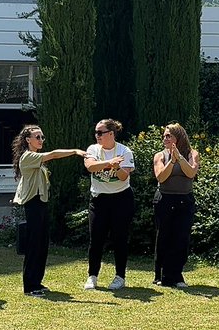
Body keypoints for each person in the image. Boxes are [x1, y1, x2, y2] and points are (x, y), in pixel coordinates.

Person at [12, 125, 86, 295]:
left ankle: (37, 282)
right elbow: (52, 155)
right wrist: (75, 151)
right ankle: (30, 285)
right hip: (33, 203)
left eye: (42, 137)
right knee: (34, 244)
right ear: (27, 140)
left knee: (42, 243)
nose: (41, 140)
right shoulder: (28, 156)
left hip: (41, 202)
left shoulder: (35, 157)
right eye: (37, 137)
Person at [83, 118, 136, 291]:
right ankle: (92, 276)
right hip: (99, 199)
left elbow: (123, 176)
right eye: (96, 132)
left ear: (111, 134)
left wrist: (117, 168)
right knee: (96, 239)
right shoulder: (93, 149)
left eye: (100, 132)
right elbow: (90, 167)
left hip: (121, 199)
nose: (97, 135)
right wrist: (109, 163)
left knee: (119, 238)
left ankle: (120, 277)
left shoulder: (124, 151)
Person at [152, 123, 200, 289]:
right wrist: (171, 162)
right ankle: (161, 275)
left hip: (184, 200)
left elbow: (191, 173)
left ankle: (177, 275)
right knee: (164, 236)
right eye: (164, 136)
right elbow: (161, 177)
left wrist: (179, 158)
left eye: (169, 136)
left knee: (181, 237)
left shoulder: (191, 153)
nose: (165, 139)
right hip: (164, 199)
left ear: (178, 138)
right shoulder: (160, 155)